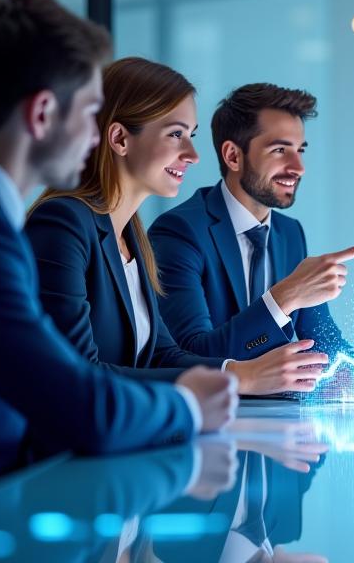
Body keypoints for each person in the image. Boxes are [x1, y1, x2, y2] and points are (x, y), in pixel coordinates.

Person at [0, 0, 236, 505]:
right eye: (90, 112)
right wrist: (188, 406)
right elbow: (78, 405)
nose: (96, 136)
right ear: (43, 113)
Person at [25, 58, 329, 395]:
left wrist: (241, 371)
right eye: (175, 134)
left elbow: (161, 357)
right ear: (120, 138)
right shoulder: (63, 224)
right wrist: (241, 378)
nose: (193, 154)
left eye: (191, 135)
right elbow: (75, 374)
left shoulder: (132, 239)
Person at [149, 83, 354, 363]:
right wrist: (284, 297)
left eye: (300, 150)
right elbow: (191, 355)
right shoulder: (179, 232)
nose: (298, 167)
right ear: (233, 156)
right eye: (280, 150)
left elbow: (325, 341)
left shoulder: (289, 233)